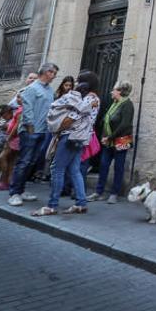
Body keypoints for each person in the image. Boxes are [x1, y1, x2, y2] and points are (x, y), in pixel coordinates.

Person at [31, 71, 99, 216]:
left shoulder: (87, 98)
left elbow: (71, 118)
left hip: (70, 136)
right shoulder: (93, 99)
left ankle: (52, 205)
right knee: (74, 169)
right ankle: (81, 203)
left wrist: (57, 128)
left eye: (78, 80)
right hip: (80, 138)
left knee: (57, 168)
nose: (76, 83)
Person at [8, 63, 58, 207]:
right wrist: (30, 127)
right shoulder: (32, 88)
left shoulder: (49, 90)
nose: (53, 75)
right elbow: (27, 108)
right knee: (24, 162)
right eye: (52, 72)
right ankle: (14, 193)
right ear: (44, 72)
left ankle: (21, 190)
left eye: (54, 73)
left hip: (42, 130)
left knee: (31, 162)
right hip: (31, 131)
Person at [89, 81, 135, 203]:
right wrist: (105, 137)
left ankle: (114, 193)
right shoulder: (114, 103)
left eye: (114, 89)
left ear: (120, 91)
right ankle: (98, 192)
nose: (111, 92)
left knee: (118, 167)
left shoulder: (127, 105)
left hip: (121, 140)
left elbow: (125, 125)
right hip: (108, 141)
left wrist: (110, 137)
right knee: (103, 166)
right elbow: (107, 121)